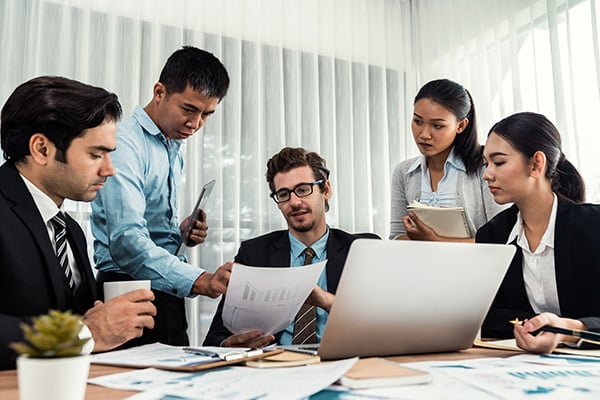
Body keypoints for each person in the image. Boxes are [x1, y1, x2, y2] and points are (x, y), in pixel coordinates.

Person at [0, 76, 157, 370]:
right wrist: (85, 334)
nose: (109, 170)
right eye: (96, 154)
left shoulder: (70, 229)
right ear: (41, 149)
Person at [91, 46, 232, 347]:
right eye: (188, 109)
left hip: (165, 290)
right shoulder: (126, 145)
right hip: (127, 290)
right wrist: (201, 279)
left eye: (207, 114)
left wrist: (179, 233)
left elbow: (146, 224)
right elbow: (128, 241)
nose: (195, 124)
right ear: (159, 92)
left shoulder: (171, 145)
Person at [203, 147, 380, 347]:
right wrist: (230, 345)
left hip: (343, 362)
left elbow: (384, 321)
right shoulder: (254, 254)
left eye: (303, 189)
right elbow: (214, 339)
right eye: (284, 194)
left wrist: (326, 301)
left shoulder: (362, 249)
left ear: (326, 190)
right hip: (274, 367)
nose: (294, 202)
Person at [477, 111, 600, 354]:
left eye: (499, 162)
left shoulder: (593, 226)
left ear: (536, 164)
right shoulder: (492, 237)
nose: (486, 174)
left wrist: (567, 330)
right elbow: (486, 315)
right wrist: (538, 326)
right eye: (486, 164)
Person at [389, 78, 505, 241]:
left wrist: (434, 240)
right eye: (417, 121)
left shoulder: (485, 167)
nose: (424, 134)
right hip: (419, 265)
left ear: (461, 126)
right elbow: (396, 236)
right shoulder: (403, 172)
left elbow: (500, 238)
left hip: (475, 266)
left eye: (437, 126)